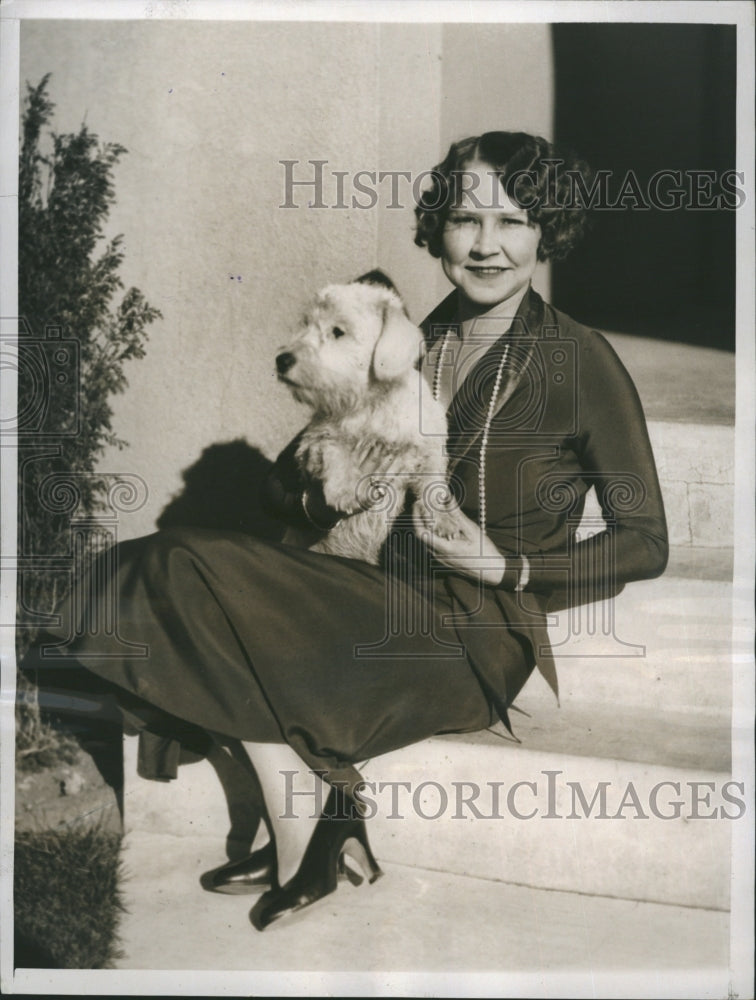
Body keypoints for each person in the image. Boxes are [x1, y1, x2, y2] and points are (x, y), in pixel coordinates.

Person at [22, 131, 668, 931]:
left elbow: (646, 541)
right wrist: (323, 501)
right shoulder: (401, 336)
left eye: (515, 221)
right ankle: (315, 819)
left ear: (548, 231)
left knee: (182, 566)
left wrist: (507, 566)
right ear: (437, 228)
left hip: (465, 633)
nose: (488, 245)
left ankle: (314, 825)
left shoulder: (581, 361)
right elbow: (277, 486)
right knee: (156, 565)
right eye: (466, 220)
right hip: (357, 589)